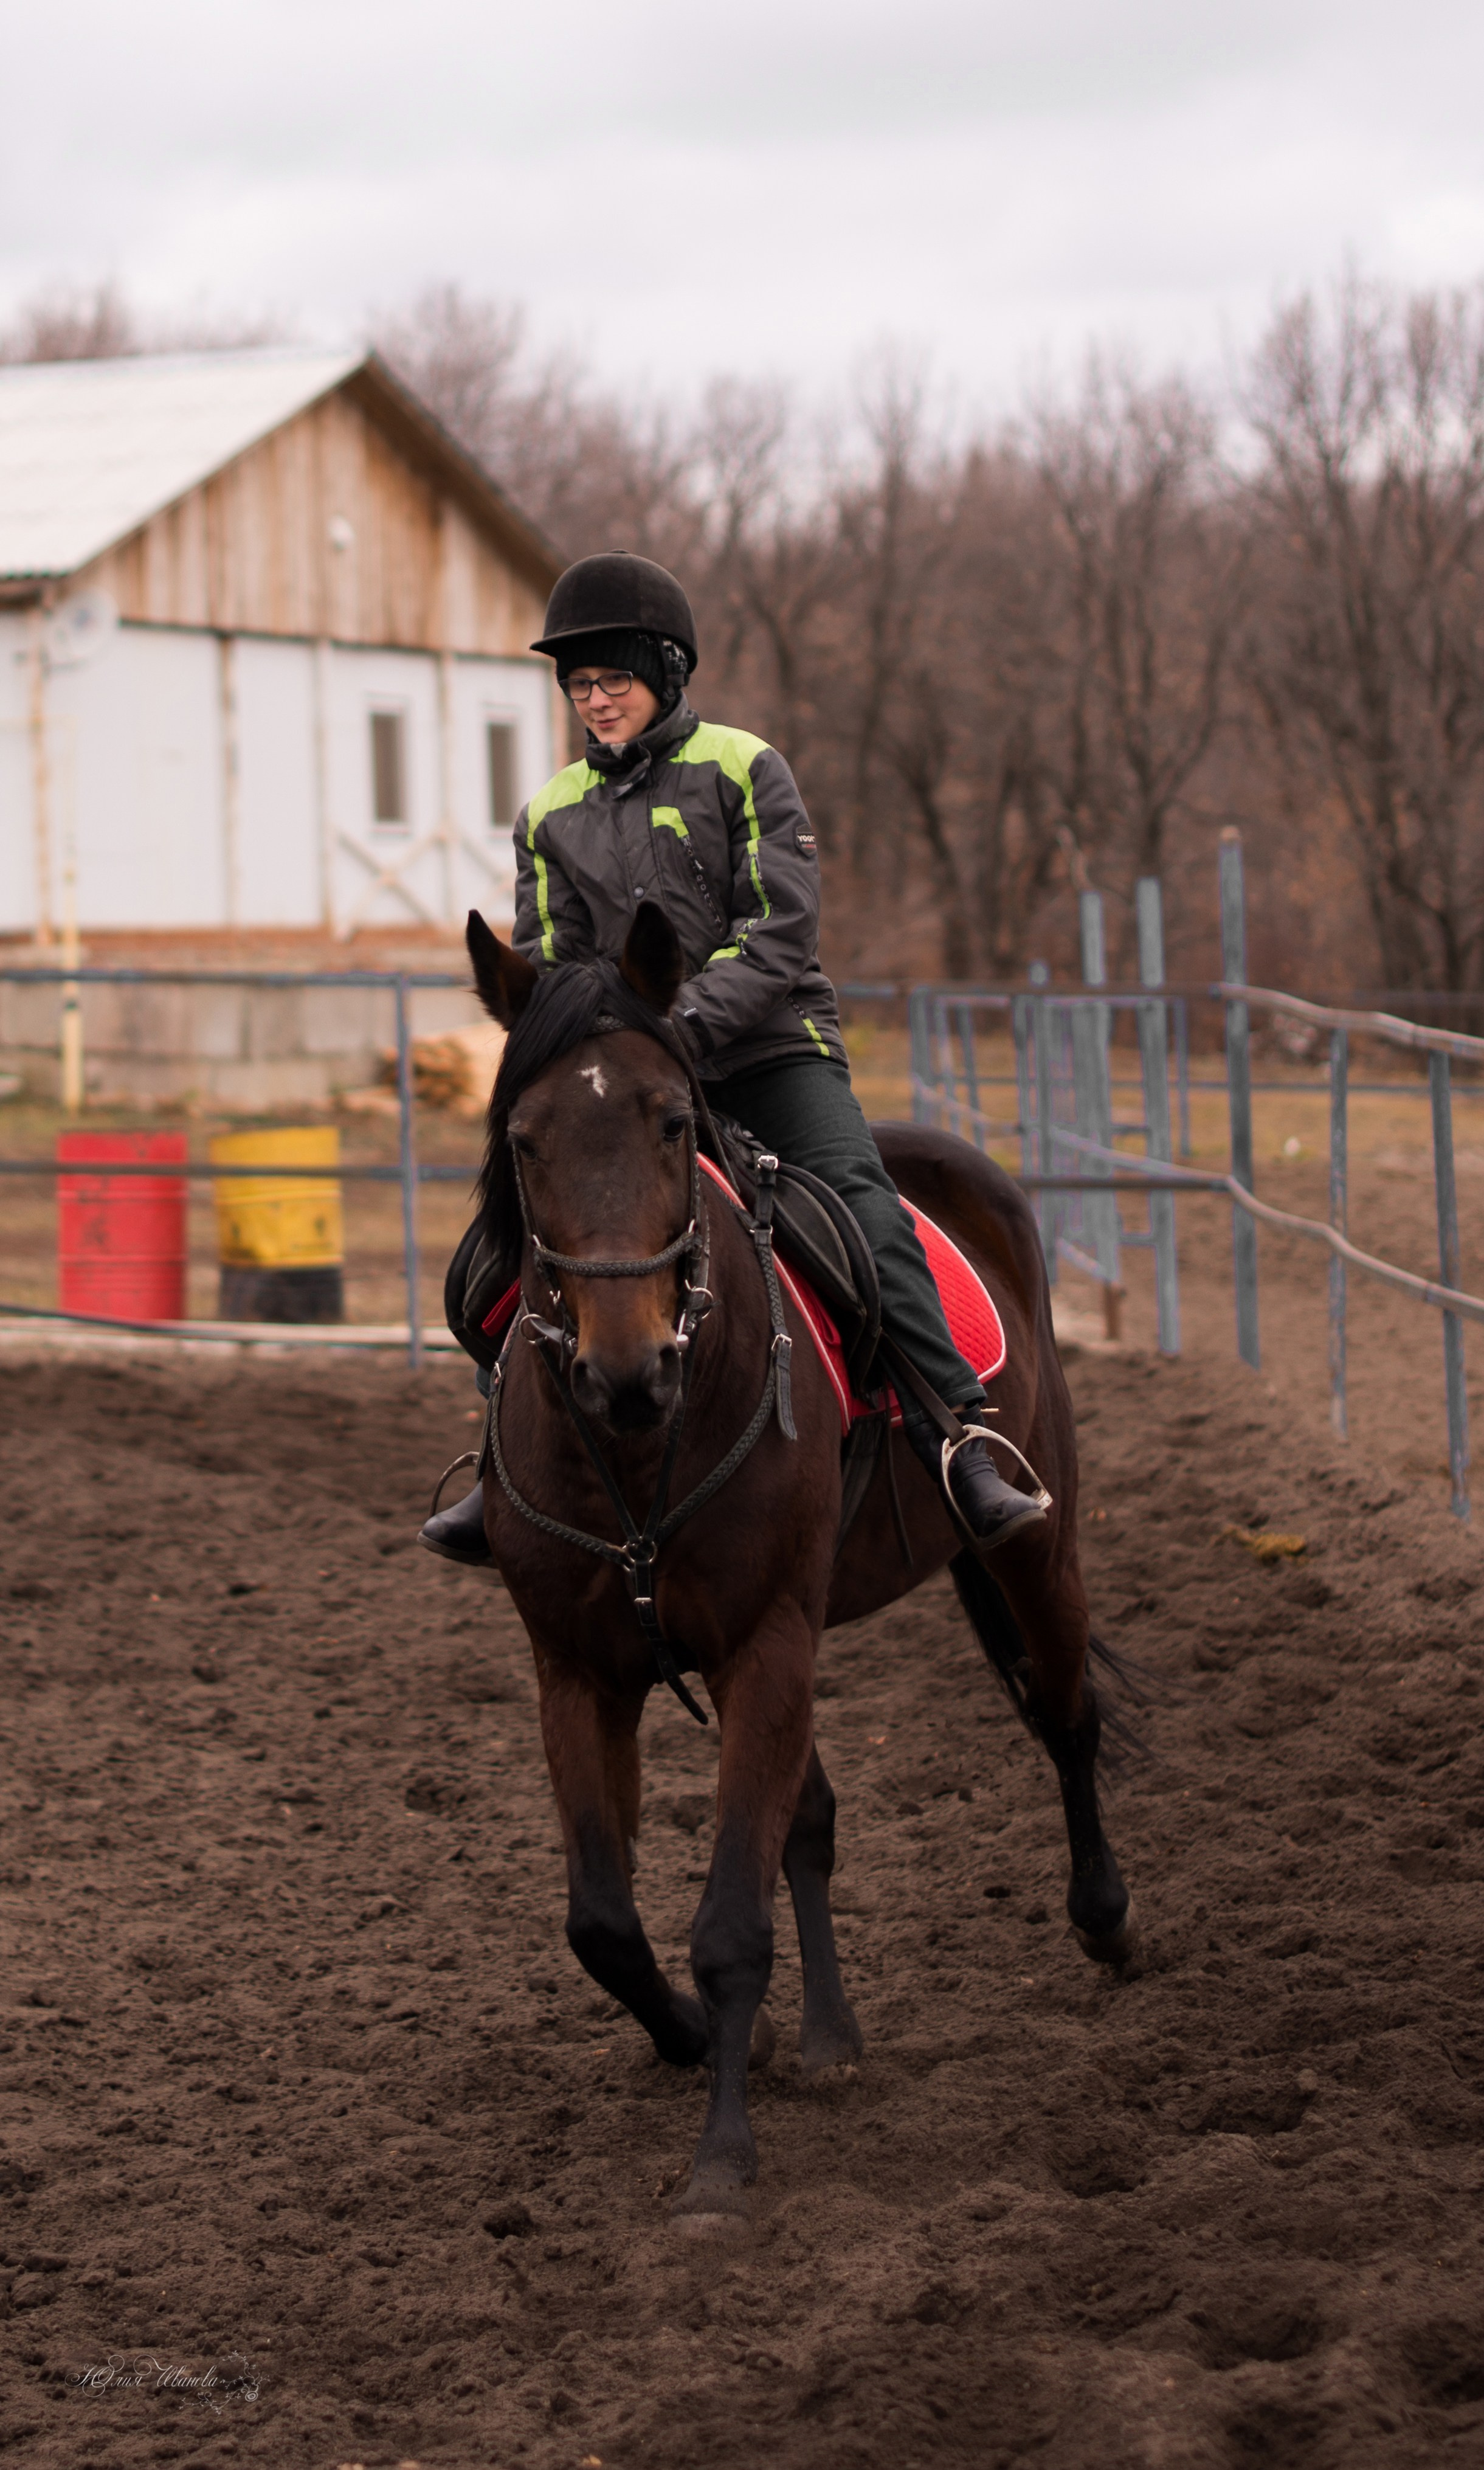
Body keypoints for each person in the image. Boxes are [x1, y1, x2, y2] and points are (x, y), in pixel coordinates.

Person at [421, 552, 1044, 1563]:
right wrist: (605, 1051)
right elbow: (554, 961)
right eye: (580, 686)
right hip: (631, 1079)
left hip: (770, 1050)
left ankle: (960, 1436)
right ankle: (503, 1453)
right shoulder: (547, 814)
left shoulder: (745, 767)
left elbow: (779, 928)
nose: (596, 700)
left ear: (667, 672)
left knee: (861, 1207)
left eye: (614, 680)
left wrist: (678, 1028)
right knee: (494, 1253)